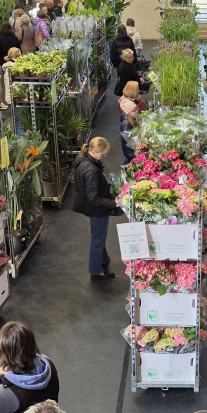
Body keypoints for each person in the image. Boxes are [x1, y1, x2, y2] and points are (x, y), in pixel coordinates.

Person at [71, 137, 120, 280]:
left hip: (89, 206)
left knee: (100, 235)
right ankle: (96, 271)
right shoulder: (91, 170)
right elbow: (94, 198)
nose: (105, 156)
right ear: (94, 151)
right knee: (97, 239)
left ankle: (103, 259)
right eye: (103, 153)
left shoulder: (82, 159)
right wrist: (115, 203)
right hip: (96, 209)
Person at [118, 81, 146, 164]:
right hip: (131, 154)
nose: (137, 111)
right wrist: (136, 155)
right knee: (127, 163)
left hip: (132, 152)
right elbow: (129, 144)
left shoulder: (130, 119)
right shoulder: (126, 125)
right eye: (135, 110)